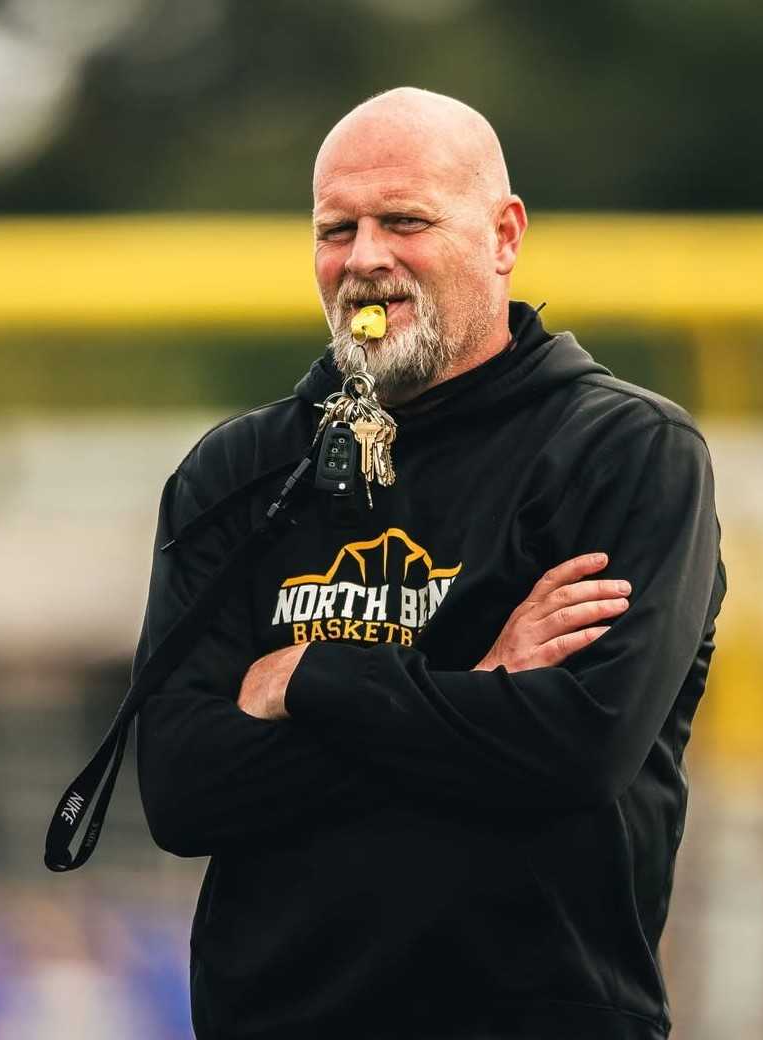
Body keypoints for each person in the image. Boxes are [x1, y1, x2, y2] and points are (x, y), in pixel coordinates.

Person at [134, 87, 726, 1039]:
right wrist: (480, 685)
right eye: (337, 229)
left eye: (404, 221)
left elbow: (577, 748)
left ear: (503, 235)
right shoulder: (237, 472)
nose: (365, 259)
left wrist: (313, 679)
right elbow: (183, 787)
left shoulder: (623, 450)